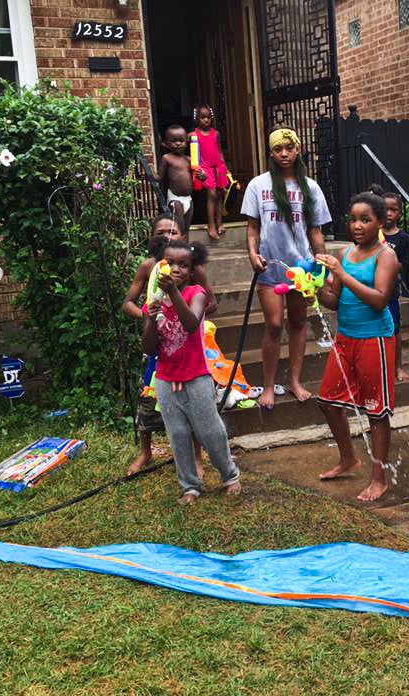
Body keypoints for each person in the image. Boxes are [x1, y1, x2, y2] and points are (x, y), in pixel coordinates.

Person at [142, 238, 241, 504]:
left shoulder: (195, 293)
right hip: (165, 380)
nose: (176, 269)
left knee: (210, 431)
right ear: (160, 265)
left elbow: (189, 323)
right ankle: (190, 486)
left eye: (183, 265)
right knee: (178, 434)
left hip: (196, 377)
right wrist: (151, 318)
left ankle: (229, 475)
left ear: (192, 269)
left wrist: (173, 293)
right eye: (170, 263)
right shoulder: (153, 300)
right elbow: (148, 346)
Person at [314, 192, 398, 502]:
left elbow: (379, 299)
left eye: (366, 219)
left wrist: (341, 274)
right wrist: (314, 290)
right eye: (353, 219)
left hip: (374, 339)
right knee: (327, 402)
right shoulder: (347, 253)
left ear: (380, 222)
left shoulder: (386, 256)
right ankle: (348, 457)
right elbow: (334, 302)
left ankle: (379, 478)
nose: (358, 225)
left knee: (376, 411)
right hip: (345, 337)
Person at [242, 127, 332, 409]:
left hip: (301, 267)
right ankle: (268, 386)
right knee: (274, 324)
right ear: (270, 152)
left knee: (298, 322)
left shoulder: (310, 187)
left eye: (289, 148)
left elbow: (315, 231)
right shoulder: (258, 185)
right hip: (269, 266)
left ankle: (294, 380)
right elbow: (253, 227)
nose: (284, 154)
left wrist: (322, 266)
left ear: (297, 150)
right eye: (278, 149)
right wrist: (252, 254)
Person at [122, 216, 215, 475]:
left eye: (173, 231)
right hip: (158, 341)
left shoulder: (192, 270)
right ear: (154, 239)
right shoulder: (148, 267)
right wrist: (151, 316)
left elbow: (211, 302)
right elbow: (128, 303)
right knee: (148, 399)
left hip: (186, 342)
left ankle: (196, 456)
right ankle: (145, 452)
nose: (168, 236)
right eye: (161, 232)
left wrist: (190, 311)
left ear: (183, 236)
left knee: (192, 401)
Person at [371, 186, 409, 383]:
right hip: (371, 289)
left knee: (394, 329)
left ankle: (398, 366)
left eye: (393, 209)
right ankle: (376, 365)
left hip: (391, 292)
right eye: (384, 209)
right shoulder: (373, 233)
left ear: (400, 213)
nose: (388, 213)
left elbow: (404, 266)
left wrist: (389, 259)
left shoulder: (402, 238)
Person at [191, 105, 231, 241]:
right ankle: (211, 225)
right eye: (202, 118)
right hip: (205, 169)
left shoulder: (216, 133)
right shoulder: (193, 135)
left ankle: (220, 223)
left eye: (208, 117)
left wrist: (225, 166)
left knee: (220, 195)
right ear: (196, 119)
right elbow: (189, 153)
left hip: (218, 167)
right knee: (212, 194)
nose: (206, 120)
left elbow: (219, 151)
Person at [157, 125, 194, 232]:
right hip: (175, 198)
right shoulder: (167, 158)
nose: (178, 143)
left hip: (188, 199)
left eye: (181, 141)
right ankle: (178, 246)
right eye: (173, 141)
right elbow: (159, 177)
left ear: (186, 143)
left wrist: (203, 176)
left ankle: (185, 248)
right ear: (166, 143)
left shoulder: (189, 160)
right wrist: (149, 173)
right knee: (180, 227)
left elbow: (198, 177)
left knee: (186, 228)